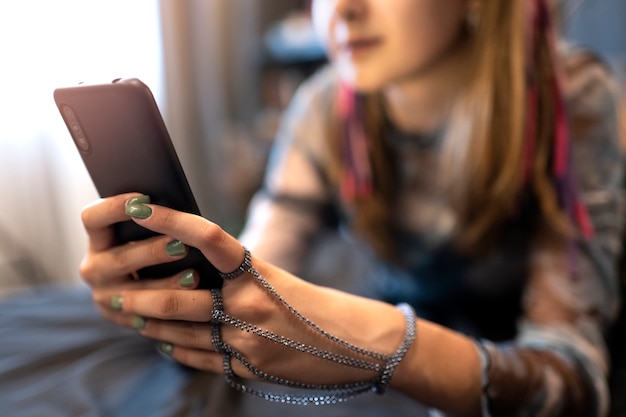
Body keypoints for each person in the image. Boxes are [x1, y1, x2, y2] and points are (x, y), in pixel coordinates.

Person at [0, 0, 624, 416]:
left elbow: (573, 379)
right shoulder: (328, 103)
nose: (342, 11)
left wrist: (377, 340)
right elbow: (261, 259)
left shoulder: (570, 98)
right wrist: (180, 290)